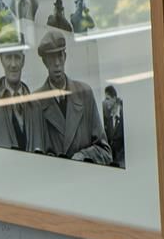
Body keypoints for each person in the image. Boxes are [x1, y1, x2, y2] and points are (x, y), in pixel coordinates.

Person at [29, 26, 110, 162]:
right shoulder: (35, 102)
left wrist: (83, 156)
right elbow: (33, 157)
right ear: (44, 62)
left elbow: (105, 151)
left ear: (65, 57)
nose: (56, 63)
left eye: (59, 56)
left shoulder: (85, 94)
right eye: (51, 58)